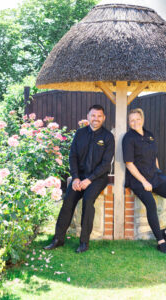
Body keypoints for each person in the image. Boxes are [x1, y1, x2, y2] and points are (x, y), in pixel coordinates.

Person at [44, 104, 115, 253]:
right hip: (79, 177)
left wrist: (89, 180)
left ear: (104, 118)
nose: (96, 119)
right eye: (93, 115)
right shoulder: (80, 134)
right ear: (88, 116)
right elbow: (73, 156)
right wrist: (75, 178)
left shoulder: (108, 137)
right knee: (68, 200)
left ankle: (84, 242)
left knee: (88, 200)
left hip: (98, 178)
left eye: (99, 116)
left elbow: (105, 164)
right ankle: (58, 239)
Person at [122, 108, 166, 254]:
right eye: (132, 120)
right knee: (151, 204)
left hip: (155, 176)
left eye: (137, 119)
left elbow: (154, 157)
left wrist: (160, 174)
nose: (135, 122)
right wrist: (144, 182)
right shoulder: (128, 138)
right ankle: (160, 241)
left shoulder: (149, 135)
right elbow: (129, 163)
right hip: (138, 180)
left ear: (142, 119)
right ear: (129, 122)